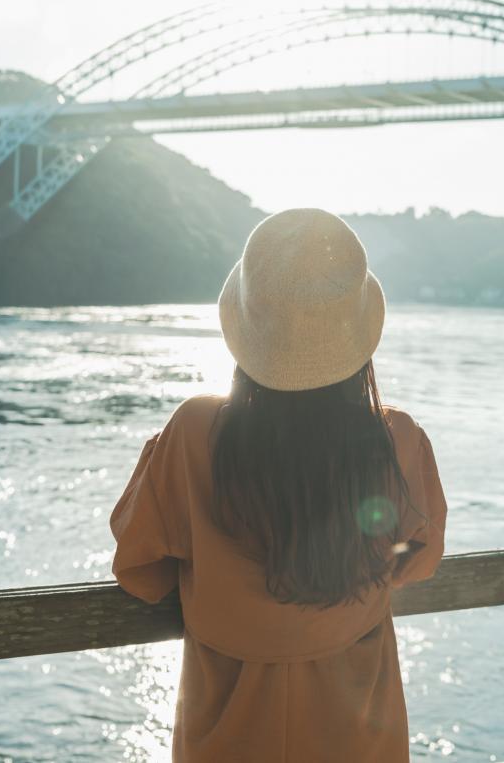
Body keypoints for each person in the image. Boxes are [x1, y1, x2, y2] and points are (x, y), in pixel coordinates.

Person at [111, 207, 447, 762]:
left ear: (249, 328)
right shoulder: (397, 440)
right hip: (359, 731)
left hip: (226, 734)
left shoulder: (194, 433)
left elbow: (140, 570)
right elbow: (418, 559)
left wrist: (219, 578)